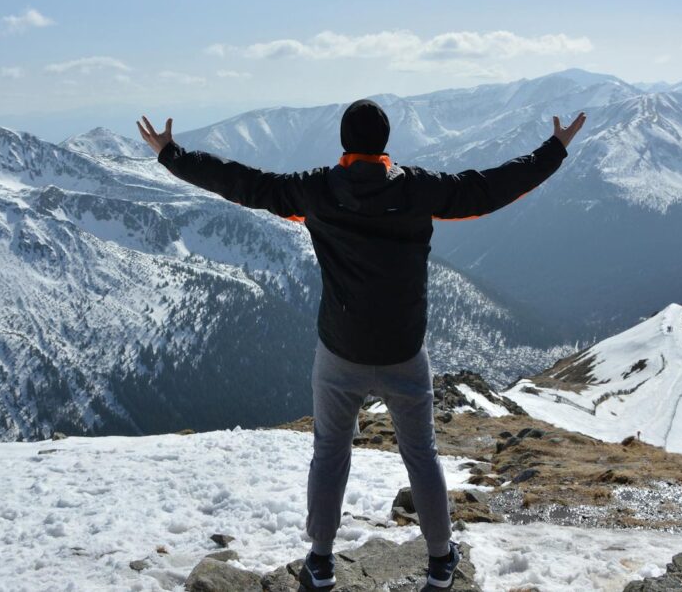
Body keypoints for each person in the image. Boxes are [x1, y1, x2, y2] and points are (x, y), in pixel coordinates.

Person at [138, 100, 585, 590]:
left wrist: (172, 155)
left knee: (330, 452)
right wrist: (554, 149)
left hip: (340, 351)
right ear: (385, 144)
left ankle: (321, 561)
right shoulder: (418, 189)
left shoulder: (316, 189)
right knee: (422, 454)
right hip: (404, 351)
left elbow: (245, 183)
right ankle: (440, 562)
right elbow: (489, 188)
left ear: (345, 144)